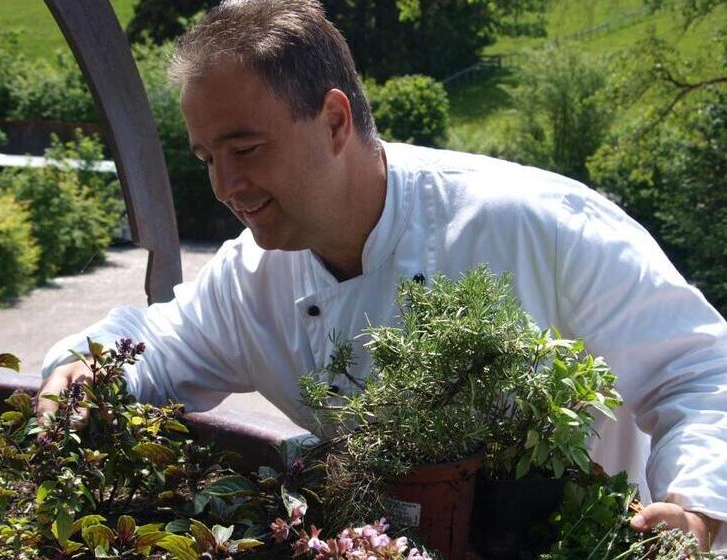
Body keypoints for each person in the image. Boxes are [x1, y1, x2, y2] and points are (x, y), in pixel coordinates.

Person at [37, 0, 726, 549]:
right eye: (206, 158)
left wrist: (694, 509)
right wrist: (80, 369)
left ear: (335, 121)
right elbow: (157, 346)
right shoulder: (251, 278)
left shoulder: (534, 224)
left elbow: (700, 367)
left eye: (244, 149)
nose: (224, 185)